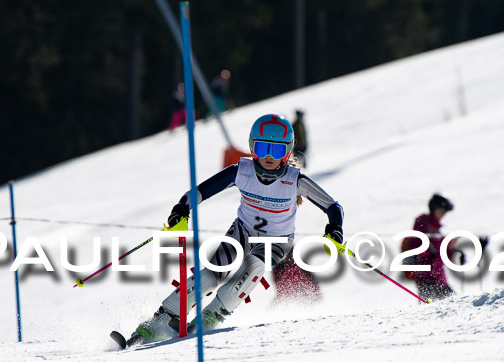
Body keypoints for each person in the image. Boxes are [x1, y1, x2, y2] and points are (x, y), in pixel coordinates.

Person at [122, 114, 344, 348]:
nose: (269, 156)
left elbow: (332, 206)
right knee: (212, 273)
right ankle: (161, 319)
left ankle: (212, 315)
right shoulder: (242, 170)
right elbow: (198, 192)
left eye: (277, 151)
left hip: (277, 241)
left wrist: (335, 230)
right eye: (262, 147)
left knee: (252, 267)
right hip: (242, 232)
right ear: (252, 147)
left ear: (287, 152)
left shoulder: (295, 179)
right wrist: (181, 210)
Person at [401, 194, 457, 302]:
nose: (443, 214)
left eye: (445, 211)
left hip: (439, 279)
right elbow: (422, 251)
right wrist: (443, 243)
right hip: (426, 279)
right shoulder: (422, 224)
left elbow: (442, 258)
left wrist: (450, 248)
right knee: (441, 308)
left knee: (453, 305)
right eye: (441, 210)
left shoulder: (436, 230)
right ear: (434, 208)